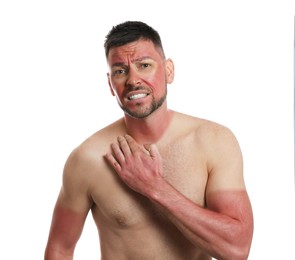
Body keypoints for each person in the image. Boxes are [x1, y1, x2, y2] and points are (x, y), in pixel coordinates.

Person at [45, 21, 254, 260]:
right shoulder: (87, 159)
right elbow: (60, 248)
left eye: (144, 65)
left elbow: (237, 249)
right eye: (120, 71)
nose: (133, 79)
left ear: (168, 71)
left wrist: (153, 186)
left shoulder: (214, 142)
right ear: (110, 84)